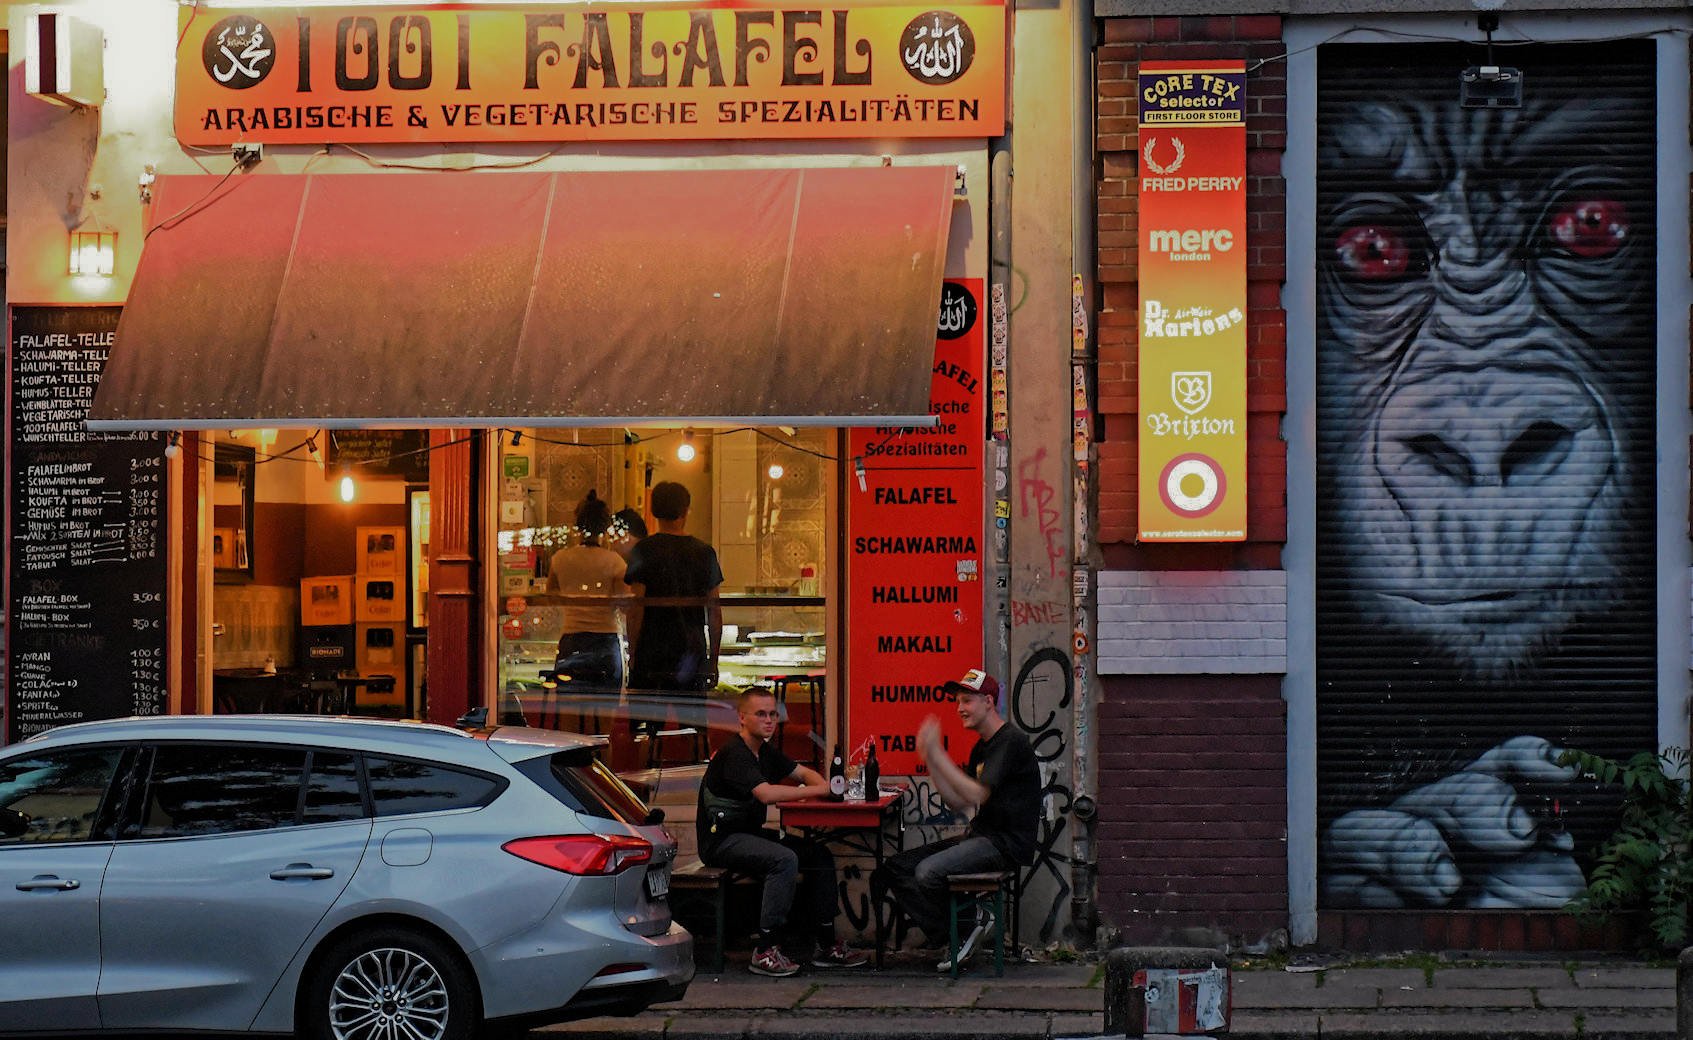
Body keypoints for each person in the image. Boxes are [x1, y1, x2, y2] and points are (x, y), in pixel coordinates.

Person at [871, 668, 1041, 972]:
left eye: (966, 701)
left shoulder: (1010, 741)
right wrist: (932, 762)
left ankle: (969, 925)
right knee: (893, 869)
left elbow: (978, 794)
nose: (959, 708)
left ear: (988, 701)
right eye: (957, 701)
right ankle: (960, 932)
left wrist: (937, 754)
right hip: (980, 837)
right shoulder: (982, 747)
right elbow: (958, 801)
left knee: (927, 873)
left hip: (1004, 844)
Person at [697, 687, 869, 976]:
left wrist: (820, 788)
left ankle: (825, 944)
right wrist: (822, 789)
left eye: (773, 714)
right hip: (722, 840)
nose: (769, 720)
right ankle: (765, 948)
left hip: (749, 834)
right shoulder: (735, 753)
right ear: (742, 718)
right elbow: (766, 794)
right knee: (784, 859)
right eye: (761, 714)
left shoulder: (764, 751)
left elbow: (802, 773)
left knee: (818, 853)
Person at [624, 481, 722, 693]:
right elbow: (714, 611)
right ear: (686, 510)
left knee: (647, 721)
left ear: (654, 510)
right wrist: (713, 659)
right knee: (692, 721)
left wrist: (633, 653)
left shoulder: (643, 550)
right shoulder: (705, 552)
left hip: (651, 650)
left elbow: (635, 609)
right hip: (691, 651)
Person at [545, 490, 629, 694]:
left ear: (578, 525)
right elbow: (625, 604)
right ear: (605, 526)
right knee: (606, 710)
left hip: (572, 639)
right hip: (605, 641)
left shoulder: (560, 559)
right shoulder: (615, 561)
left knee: (569, 711)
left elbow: (550, 595)